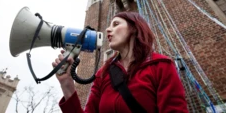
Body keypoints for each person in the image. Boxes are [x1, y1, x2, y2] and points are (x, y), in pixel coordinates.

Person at [52, 11, 189, 112]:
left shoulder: (161, 66)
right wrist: (67, 83)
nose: (108, 29)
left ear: (134, 28)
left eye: (116, 24)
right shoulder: (103, 74)